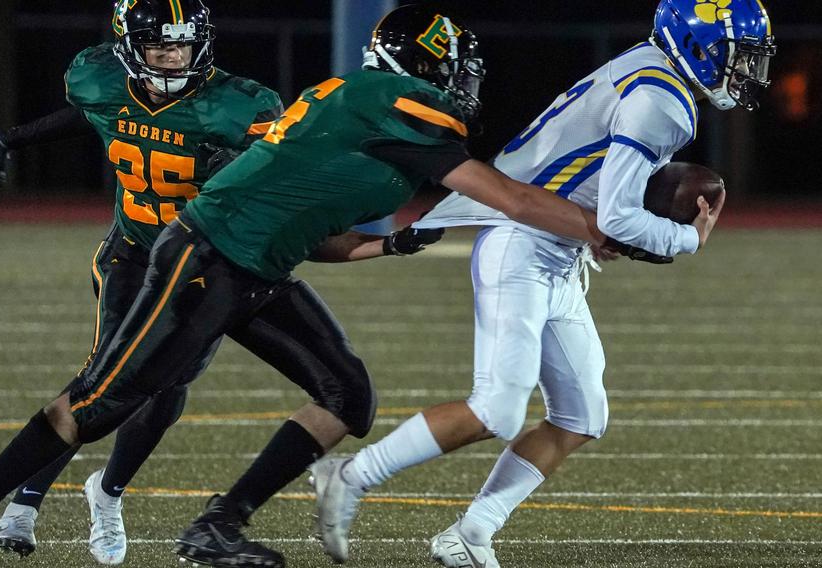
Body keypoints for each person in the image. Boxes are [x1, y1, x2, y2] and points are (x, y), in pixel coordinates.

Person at [0, 5, 618, 568]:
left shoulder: (366, 113)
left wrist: (387, 244)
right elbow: (514, 200)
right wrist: (601, 227)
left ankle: (218, 524)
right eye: (456, 68)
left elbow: (308, 228)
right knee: (105, 399)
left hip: (253, 266)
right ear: (425, 68)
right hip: (206, 257)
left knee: (348, 395)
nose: (465, 83)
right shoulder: (396, 104)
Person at [0, 1, 445, 565]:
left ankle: (107, 491)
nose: (172, 55)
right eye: (158, 45)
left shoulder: (243, 107)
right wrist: (13, 139)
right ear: (127, 48)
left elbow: (278, 194)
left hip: (205, 262)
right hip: (131, 253)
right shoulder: (99, 78)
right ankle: (23, 502)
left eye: (181, 43)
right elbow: (102, 113)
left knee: (161, 389)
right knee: (106, 384)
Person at [310, 1, 772, 567]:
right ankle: (351, 476)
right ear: (701, 47)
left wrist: (605, 225)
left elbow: (598, 188)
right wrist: (684, 240)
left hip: (553, 248)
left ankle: (471, 533)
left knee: (582, 414)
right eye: (740, 57)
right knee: (496, 410)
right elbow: (622, 219)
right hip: (522, 245)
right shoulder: (663, 100)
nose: (746, 70)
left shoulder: (650, 68)